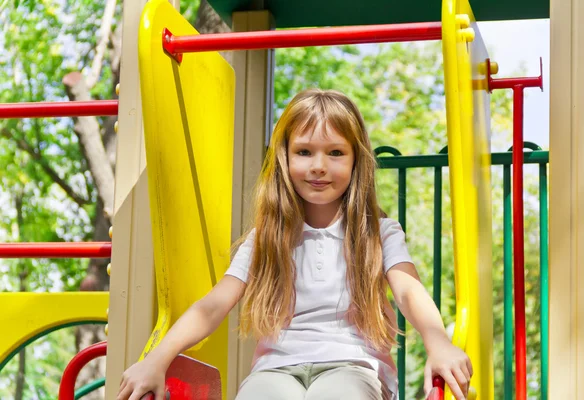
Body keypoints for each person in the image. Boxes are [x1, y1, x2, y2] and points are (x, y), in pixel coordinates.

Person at [117, 89, 473, 400]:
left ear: (355, 161)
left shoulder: (376, 232)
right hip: (277, 368)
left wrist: (437, 341)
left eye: (335, 153)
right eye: (304, 152)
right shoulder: (267, 237)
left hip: (353, 364)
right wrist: (157, 359)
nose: (319, 166)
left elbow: (409, 292)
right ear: (284, 158)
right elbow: (212, 306)